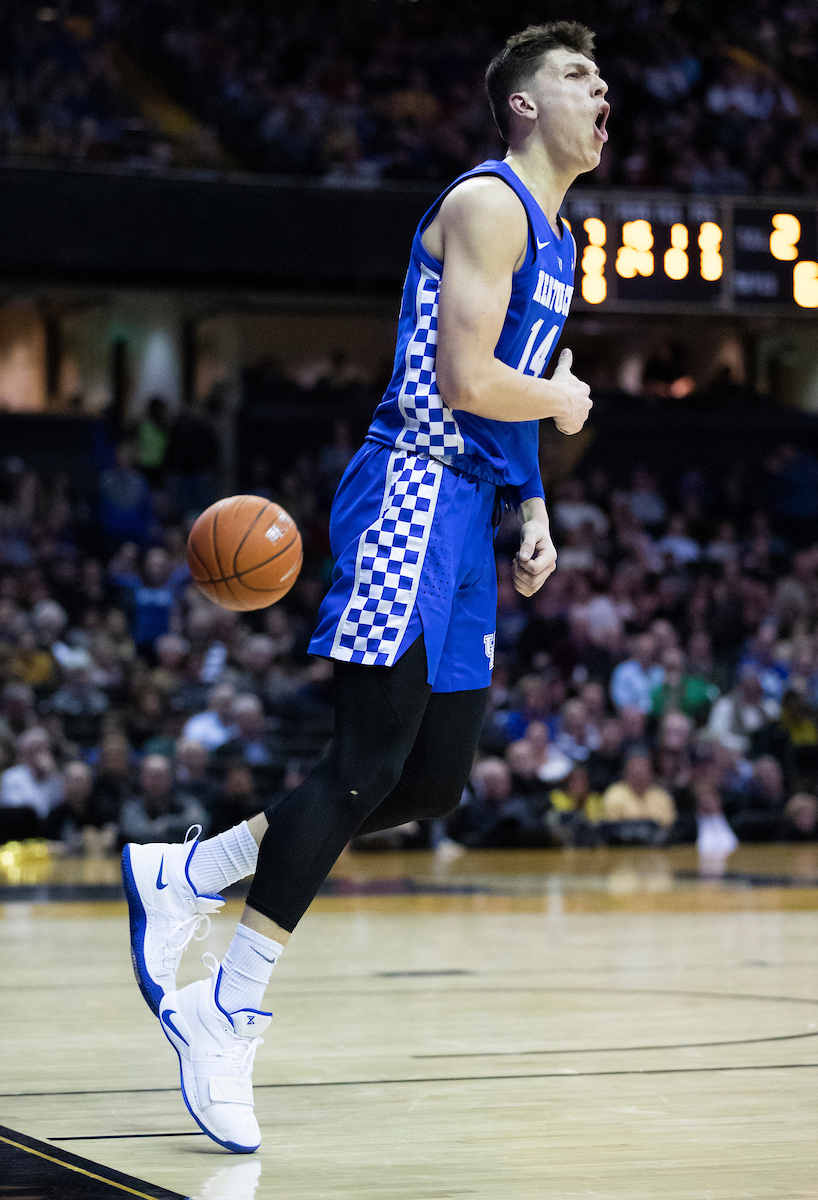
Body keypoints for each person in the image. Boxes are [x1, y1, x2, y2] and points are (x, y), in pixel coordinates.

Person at [121, 20, 603, 1153]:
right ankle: (223, 1006)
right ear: (523, 105)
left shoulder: (560, 238)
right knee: (362, 763)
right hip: (410, 491)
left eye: (601, 77)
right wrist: (566, 409)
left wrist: (532, 504)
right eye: (576, 77)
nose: (600, 92)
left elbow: (513, 388)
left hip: (471, 513)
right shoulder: (486, 203)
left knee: (432, 783)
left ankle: (193, 870)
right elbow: (473, 378)